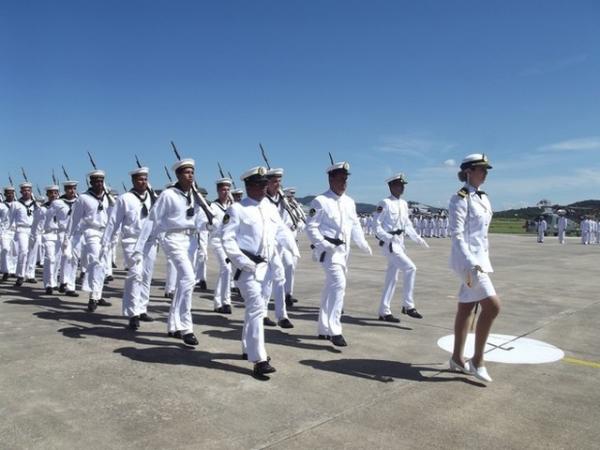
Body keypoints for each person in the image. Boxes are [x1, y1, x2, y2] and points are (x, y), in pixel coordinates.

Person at [221, 166, 300, 377]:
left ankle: (247, 348)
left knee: (253, 311)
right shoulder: (237, 209)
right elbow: (227, 240)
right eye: (260, 184)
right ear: (249, 186)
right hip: (247, 269)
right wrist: (242, 262)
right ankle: (260, 359)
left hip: (266, 269)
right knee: (257, 308)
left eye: (266, 184)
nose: (265, 188)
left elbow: (281, 232)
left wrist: (293, 250)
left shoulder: (270, 208)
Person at [134, 159, 209, 346]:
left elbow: (199, 222)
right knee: (189, 278)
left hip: (189, 240)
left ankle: (173, 325)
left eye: (192, 172)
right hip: (172, 239)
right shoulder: (168, 195)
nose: (190, 175)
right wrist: (139, 246)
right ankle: (187, 328)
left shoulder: (194, 196)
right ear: (178, 175)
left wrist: (211, 224)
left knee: (184, 282)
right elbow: (152, 219)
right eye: (186, 172)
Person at [306, 161, 372, 347]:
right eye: (340, 179)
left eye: (346, 179)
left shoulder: (349, 202)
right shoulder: (320, 201)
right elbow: (310, 227)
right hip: (329, 252)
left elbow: (355, 225)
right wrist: (323, 244)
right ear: (330, 179)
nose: (344, 183)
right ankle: (335, 329)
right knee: (339, 285)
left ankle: (323, 327)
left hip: (344, 252)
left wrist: (362, 242)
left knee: (330, 288)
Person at [448, 153, 500, 383]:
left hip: (480, 261)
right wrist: (471, 262)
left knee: (467, 308)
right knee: (493, 307)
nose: (485, 173)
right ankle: (477, 360)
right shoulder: (459, 198)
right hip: (468, 263)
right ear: (468, 171)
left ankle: (457, 358)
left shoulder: (484, 198)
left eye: (486, 169)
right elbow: (457, 235)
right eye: (481, 169)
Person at [101, 167, 158, 330]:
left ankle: (142, 309)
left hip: (150, 242)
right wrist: (105, 242)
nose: (143, 182)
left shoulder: (152, 197)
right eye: (140, 179)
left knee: (146, 276)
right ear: (133, 180)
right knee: (135, 275)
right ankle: (132, 313)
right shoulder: (125, 198)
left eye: (146, 179)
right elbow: (113, 221)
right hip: (132, 241)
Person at [374, 173, 429, 322]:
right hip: (389, 245)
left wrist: (417, 238)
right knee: (410, 268)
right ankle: (408, 305)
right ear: (391, 186)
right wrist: (387, 237)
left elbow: (407, 224)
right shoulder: (384, 203)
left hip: (400, 244)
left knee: (392, 278)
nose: (402, 188)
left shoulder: (404, 204)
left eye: (403, 185)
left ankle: (384, 311)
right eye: (399, 185)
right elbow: (376, 226)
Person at [66, 170, 115, 311]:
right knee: (96, 263)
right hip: (91, 231)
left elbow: (113, 217)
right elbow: (74, 219)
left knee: (103, 266)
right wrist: (67, 238)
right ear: (91, 182)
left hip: (105, 232)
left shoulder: (107, 198)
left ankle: (98, 295)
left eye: (101, 181)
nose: (99, 184)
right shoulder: (84, 198)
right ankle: (93, 297)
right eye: (96, 181)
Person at [209, 177, 234, 314]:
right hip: (218, 241)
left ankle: (218, 302)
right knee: (227, 268)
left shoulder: (232, 207)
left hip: (229, 242)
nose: (226, 192)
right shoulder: (213, 207)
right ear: (218, 191)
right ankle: (226, 302)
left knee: (225, 271)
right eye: (223, 189)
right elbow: (213, 225)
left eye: (228, 189)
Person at [10, 182, 38, 286]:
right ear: (21, 192)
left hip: (33, 230)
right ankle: (20, 275)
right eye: (24, 190)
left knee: (33, 252)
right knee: (23, 251)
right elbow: (10, 218)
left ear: (31, 191)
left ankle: (30, 274)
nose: (26, 192)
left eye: (29, 190)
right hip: (21, 229)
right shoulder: (16, 204)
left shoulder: (36, 204)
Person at [0, 186, 17, 280]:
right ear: (5, 194)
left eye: (12, 193)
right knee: (5, 249)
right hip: (5, 231)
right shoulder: (1, 205)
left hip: (16, 231)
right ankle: (5, 270)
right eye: (8, 193)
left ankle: (13, 270)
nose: (10, 195)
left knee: (14, 251)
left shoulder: (18, 205)